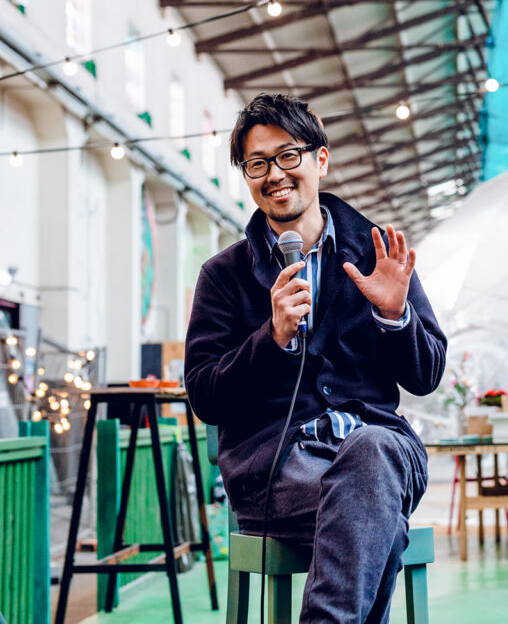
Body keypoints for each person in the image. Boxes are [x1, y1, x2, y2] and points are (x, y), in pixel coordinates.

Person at [184, 93, 447, 622]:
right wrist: (272, 336)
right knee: (379, 522)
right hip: (279, 467)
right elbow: (205, 395)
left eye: (288, 155)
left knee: (372, 452)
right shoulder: (224, 275)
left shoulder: (379, 255)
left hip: (380, 449)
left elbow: (427, 375)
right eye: (257, 163)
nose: (274, 174)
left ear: (319, 160)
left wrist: (396, 318)